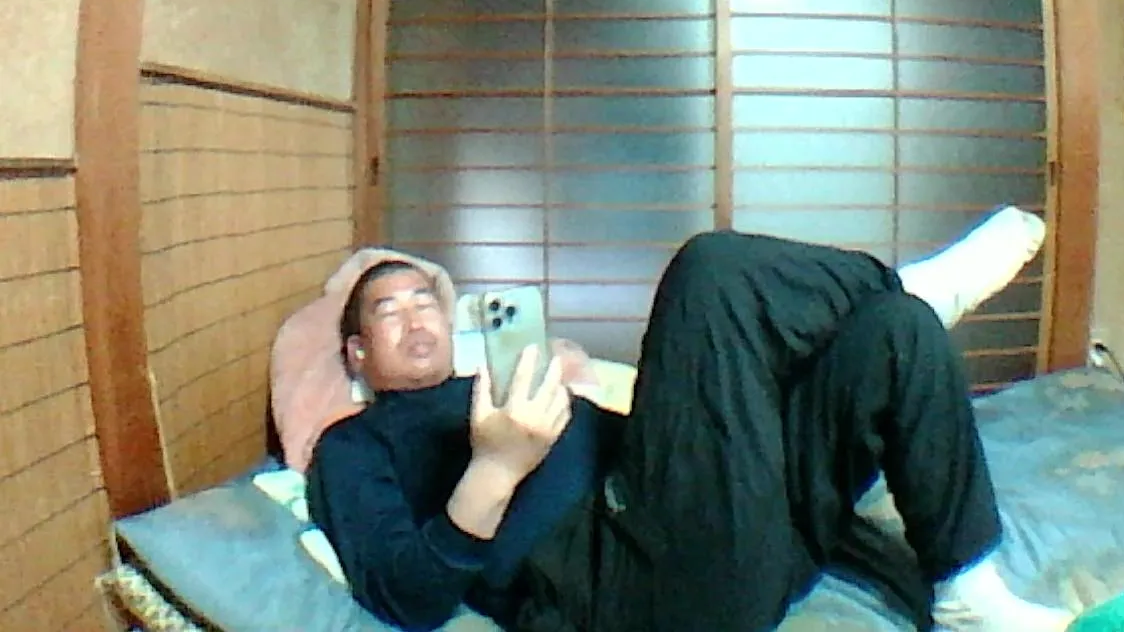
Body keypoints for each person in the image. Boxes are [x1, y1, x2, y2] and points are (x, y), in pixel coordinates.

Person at [305, 208, 1074, 632]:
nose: (416, 318)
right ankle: (902, 283)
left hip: (754, 540)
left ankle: (966, 587)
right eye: (388, 310)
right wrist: (497, 466)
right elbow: (407, 595)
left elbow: (642, 451)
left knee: (897, 333)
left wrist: (587, 396)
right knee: (710, 271)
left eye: (425, 302)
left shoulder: (501, 381)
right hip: (636, 584)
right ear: (357, 353)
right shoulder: (352, 445)